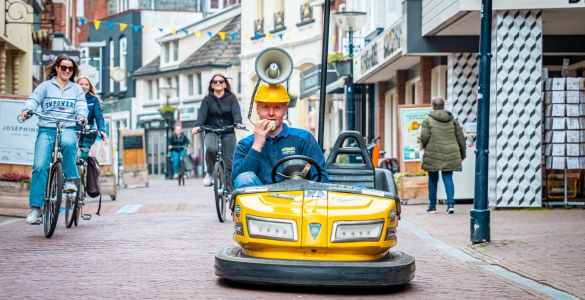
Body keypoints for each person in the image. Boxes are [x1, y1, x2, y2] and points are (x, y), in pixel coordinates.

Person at [21, 54, 88, 224]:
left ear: (73, 71)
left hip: (67, 126)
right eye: (63, 67)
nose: (67, 71)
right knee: (40, 166)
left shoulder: (76, 89)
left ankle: (71, 180)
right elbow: (34, 100)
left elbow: (81, 106)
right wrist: (27, 110)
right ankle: (35, 209)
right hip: (47, 129)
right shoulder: (45, 86)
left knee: (68, 142)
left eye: (70, 68)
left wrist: (81, 116)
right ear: (57, 68)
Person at [232, 83, 329, 188]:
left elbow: (321, 177)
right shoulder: (245, 144)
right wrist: (256, 146)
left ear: (285, 110)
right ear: (257, 109)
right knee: (244, 177)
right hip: (259, 201)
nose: (271, 113)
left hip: (296, 198)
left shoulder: (303, 138)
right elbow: (239, 181)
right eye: (266, 107)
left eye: (277, 107)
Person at [192, 74, 243, 191]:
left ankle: (230, 191)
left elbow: (236, 112)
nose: (218, 83)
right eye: (215, 81)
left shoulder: (231, 98)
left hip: (228, 131)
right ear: (212, 84)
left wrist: (238, 122)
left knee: (229, 161)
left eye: (221, 81)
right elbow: (202, 115)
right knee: (211, 149)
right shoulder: (207, 100)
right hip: (211, 130)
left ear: (225, 84)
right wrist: (198, 126)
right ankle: (210, 172)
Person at [420, 96, 466, 214]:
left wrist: (424, 146)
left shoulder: (427, 119)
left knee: (433, 179)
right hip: (450, 152)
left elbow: (424, 136)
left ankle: (432, 206)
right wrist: (462, 153)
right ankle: (450, 204)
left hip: (433, 151)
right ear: (443, 106)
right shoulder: (452, 119)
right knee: (448, 177)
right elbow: (460, 138)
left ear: (433, 106)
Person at [75, 75, 106, 160]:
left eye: (86, 84)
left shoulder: (94, 99)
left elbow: (99, 117)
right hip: (73, 127)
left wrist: (102, 130)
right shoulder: (71, 98)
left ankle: (83, 157)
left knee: (92, 130)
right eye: (81, 84)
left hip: (87, 129)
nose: (84, 86)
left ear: (89, 87)